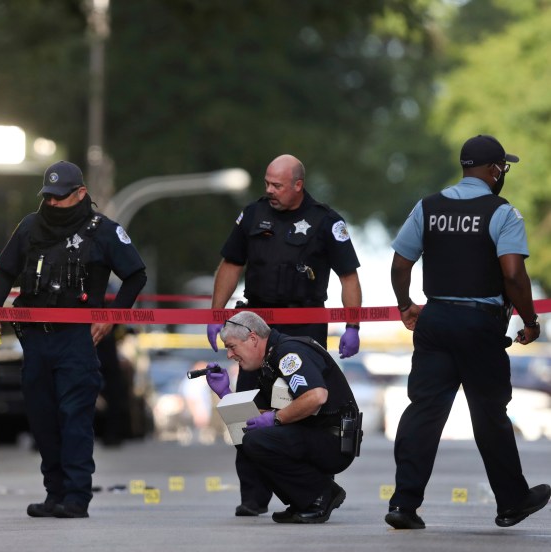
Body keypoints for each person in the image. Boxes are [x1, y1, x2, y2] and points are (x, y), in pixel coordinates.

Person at [386, 134, 549, 530]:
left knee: (423, 413)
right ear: (493, 170)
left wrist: (406, 304)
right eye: (503, 168)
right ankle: (511, 502)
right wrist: (529, 320)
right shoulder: (503, 212)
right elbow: (512, 273)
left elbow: (400, 263)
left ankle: (403, 504)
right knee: (489, 414)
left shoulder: (427, 207)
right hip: (479, 325)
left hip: (436, 320)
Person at [0, 160, 146, 518]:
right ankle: (54, 493)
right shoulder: (30, 226)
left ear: (80, 194)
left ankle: (76, 497)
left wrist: (111, 318)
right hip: (36, 340)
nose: (52, 204)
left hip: (77, 340)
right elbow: (4, 271)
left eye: (60, 198)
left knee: (74, 417)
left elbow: (135, 275)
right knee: (41, 418)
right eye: (48, 197)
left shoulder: (102, 230)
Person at [206, 154, 362, 517]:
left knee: (303, 408)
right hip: (255, 329)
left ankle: (310, 490)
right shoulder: (253, 216)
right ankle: (253, 495)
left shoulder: (325, 221)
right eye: (267, 183)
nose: (269, 191)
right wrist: (217, 314)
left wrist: (353, 326)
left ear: (298, 185)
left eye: (277, 185)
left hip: (304, 327)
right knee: (244, 409)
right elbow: (231, 264)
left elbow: (349, 277)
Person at [205, 311, 360, 524]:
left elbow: (316, 396)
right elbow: (254, 418)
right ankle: (303, 500)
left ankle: (321, 494)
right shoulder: (270, 358)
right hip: (317, 434)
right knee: (248, 438)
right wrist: (225, 393)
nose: (230, 355)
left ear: (252, 339)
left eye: (232, 347)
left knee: (257, 440)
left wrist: (276, 419)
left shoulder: (288, 354)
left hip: (333, 441)